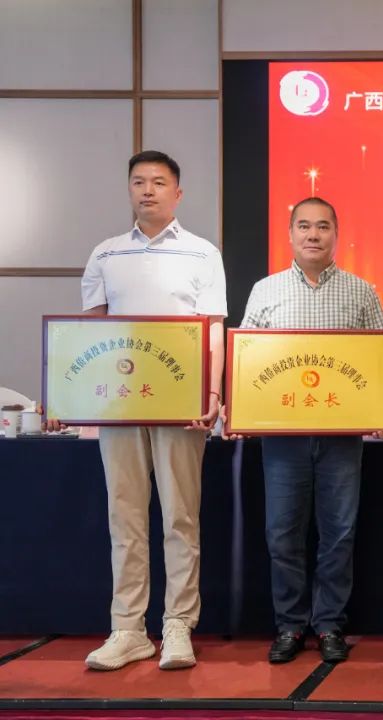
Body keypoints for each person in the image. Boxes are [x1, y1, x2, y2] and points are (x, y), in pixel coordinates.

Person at [68, 150, 227, 671]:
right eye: (139, 182)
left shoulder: (202, 253)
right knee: (126, 517)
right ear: (129, 190)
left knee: (181, 516)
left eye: (159, 182)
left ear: (178, 193)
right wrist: (81, 399)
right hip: (121, 403)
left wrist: (211, 395)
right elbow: (91, 334)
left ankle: (178, 624)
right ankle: (128, 628)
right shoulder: (105, 254)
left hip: (181, 406)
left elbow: (213, 330)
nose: (148, 190)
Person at [238, 197, 383, 664]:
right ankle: (289, 625)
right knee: (282, 533)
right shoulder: (265, 290)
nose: (313, 235)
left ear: (335, 235)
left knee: (338, 533)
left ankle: (329, 625)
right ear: (290, 234)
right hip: (283, 437)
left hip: (342, 438)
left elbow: (380, 360)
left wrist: (378, 409)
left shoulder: (362, 292)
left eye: (323, 226)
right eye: (304, 226)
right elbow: (246, 359)